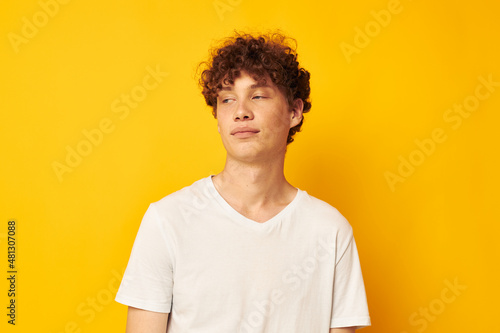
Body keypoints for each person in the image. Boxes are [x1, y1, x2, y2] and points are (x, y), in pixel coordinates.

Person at [115, 31, 371, 333]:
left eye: (258, 96)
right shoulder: (167, 220)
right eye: (227, 99)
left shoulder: (330, 231)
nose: (240, 112)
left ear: (294, 112)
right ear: (218, 117)